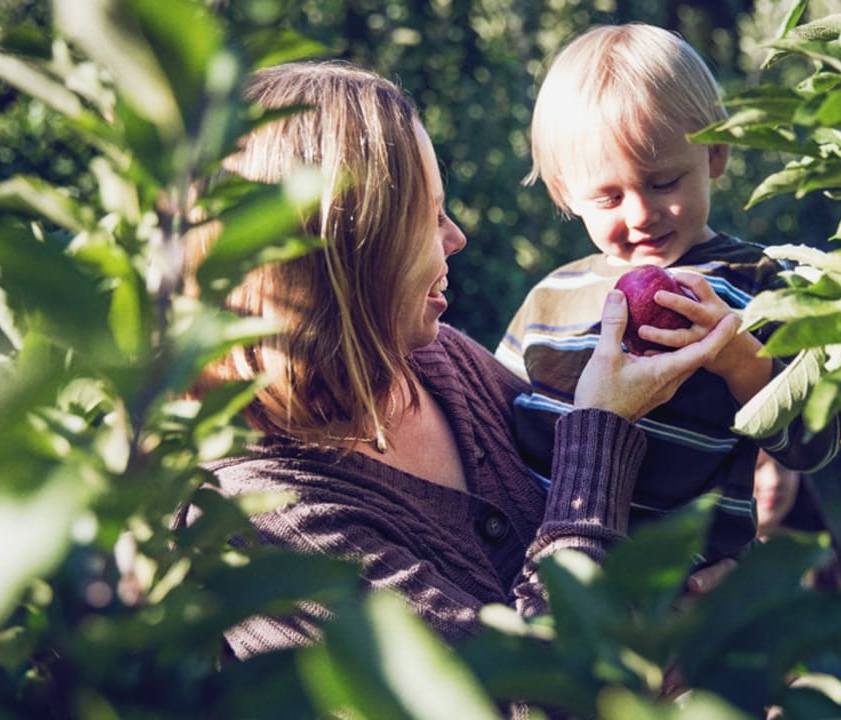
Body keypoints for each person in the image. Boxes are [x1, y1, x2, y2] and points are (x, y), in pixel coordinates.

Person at [180, 60, 744, 657]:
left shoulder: (439, 362)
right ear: (348, 256)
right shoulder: (263, 524)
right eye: (428, 217)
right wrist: (603, 427)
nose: (456, 239)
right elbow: (525, 695)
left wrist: (719, 574)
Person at [497, 23, 841, 572]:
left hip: (686, 579)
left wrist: (736, 356)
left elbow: (815, 442)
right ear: (566, 193)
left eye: (663, 183)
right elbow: (494, 426)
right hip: (563, 573)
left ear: (717, 156)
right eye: (609, 197)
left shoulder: (755, 283)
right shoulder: (553, 298)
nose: (640, 215)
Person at [753, 449, 841, 592]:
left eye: (785, 465)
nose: (774, 481)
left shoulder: (818, 558)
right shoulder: (715, 565)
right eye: (755, 466)